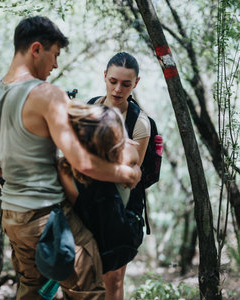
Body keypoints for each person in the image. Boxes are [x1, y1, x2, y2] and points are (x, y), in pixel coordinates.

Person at [0, 16, 141, 300]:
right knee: (89, 292)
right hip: (46, 217)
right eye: (54, 55)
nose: (55, 65)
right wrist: (127, 175)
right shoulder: (46, 94)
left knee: (32, 291)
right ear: (37, 49)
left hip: (13, 219)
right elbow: (84, 162)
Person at [90, 52, 150, 300]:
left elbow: (132, 175)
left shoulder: (139, 123)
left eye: (126, 84)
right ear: (105, 76)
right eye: (113, 81)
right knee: (85, 274)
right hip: (87, 203)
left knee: (113, 279)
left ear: (136, 83)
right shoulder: (90, 108)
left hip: (121, 209)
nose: (118, 89)